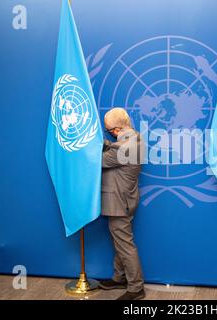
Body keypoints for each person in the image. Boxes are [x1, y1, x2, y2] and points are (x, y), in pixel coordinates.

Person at [98, 107, 145, 300]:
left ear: (117, 129)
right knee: (121, 240)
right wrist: (106, 142)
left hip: (119, 202)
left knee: (125, 244)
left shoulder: (125, 147)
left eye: (109, 131)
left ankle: (136, 288)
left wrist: (91, 145)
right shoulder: (134, 138)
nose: (109, 134)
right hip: (126, 199)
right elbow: (114, 147)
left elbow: (97, 161)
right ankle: (120, 277)